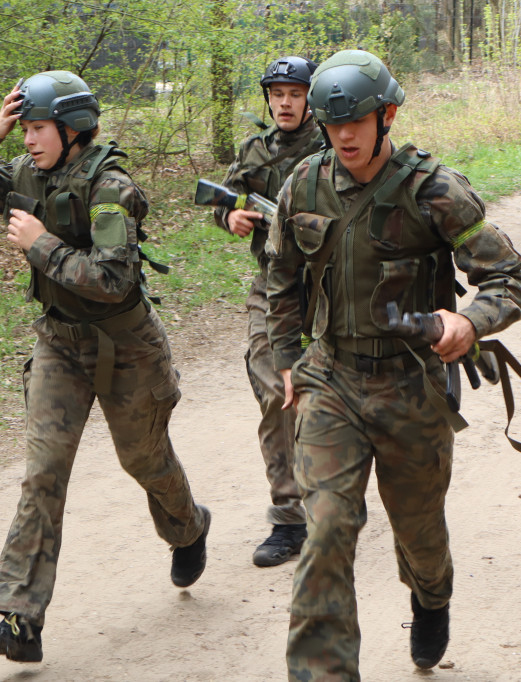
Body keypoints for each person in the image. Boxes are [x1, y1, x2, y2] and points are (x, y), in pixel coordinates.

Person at [265, 50, 521, 678]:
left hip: (412, 384)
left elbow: (506, 276)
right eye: (333, 125)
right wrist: (284, 357)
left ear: (386, 116)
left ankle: (431, 596)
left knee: (418, 531)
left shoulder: (433, 190)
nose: (345, 136)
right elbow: (280, 277)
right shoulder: (303, 183)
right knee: (325, 530)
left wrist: (471, 321)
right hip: (331, 379)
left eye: (357, 121)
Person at [0, 70, 211, 663]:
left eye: (37, 129)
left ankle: (188, 526)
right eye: (25, 129)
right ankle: (20, 619)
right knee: (43, 473)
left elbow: (114, 281)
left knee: (142, 458)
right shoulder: (22, 173)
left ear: (73, 129)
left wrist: (41, 244)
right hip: (59, 345)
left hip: (127, 346)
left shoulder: (111, 186)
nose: (28, 141)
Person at [213, 56, 322, 567]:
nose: (284, 102)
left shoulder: (332, 144)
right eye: (277, 93)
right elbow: (227, 199)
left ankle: (335, 487)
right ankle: (289, 517)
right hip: (273, 285)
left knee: (335, 393)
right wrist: (230, 215)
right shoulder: (255, 150)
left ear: (311, 98)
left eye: (294, 94)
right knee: (275, 391)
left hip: (330, 288)